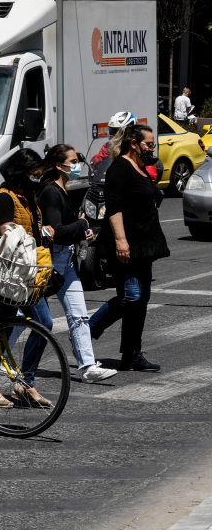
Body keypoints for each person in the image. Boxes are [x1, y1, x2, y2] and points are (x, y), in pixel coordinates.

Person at [0, 149, 56, 409]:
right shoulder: (4, 197)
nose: (37, 178)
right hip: (8, 274)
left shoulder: (28, 196)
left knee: (43, 324)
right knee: (2, 329)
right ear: (20, 173)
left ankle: (25, 384)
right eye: (34, 174)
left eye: (39, 174)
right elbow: (6, 233)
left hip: (28, 273)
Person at [89, 123, 169, 372]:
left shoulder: (142, 167)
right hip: (126, 243)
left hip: (145, 243)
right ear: (133, 144)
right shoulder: (120, 168)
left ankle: (132, 354)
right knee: (132, 296)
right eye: (148, 144)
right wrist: (121, 241)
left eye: (152, 145)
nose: (151, 149)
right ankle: (86, 331)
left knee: (141, 298)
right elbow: (114, 207)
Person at [38, 144, 117, 384]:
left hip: (67, 262)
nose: (76, 165)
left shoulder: (64, 189)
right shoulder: (51, 192)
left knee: (79, 316)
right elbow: (58, 233)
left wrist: (84, 233)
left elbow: (69, 228)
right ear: (57, 165)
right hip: (50, 262)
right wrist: (82, 226)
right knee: (28, 318)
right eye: (72, 161)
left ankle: (88, 367)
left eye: (77, 160)